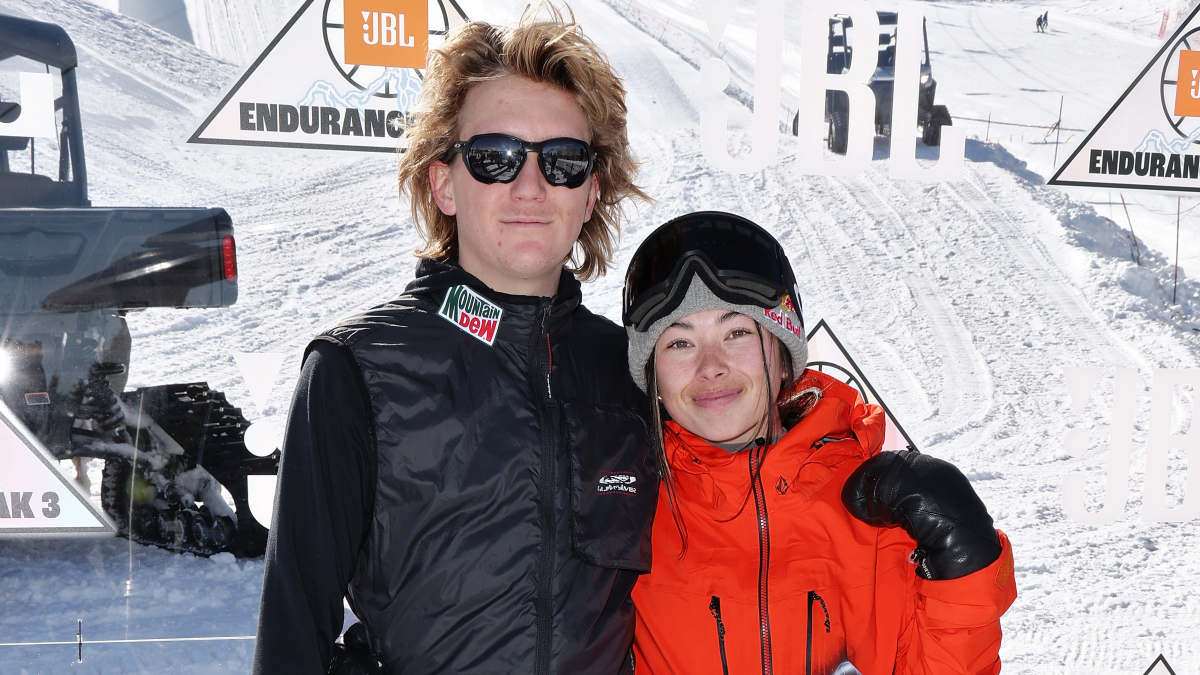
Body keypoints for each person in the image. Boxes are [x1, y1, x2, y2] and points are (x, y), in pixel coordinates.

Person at [252, 8, 656, 675]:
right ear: (444, 183)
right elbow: (291, 638)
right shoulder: (356, 372)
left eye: (563, 161)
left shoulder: (632, 375)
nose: (530, 186)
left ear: (591, 193)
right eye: (495, 157)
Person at [622, 211, 1016, 675]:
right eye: (679, 344)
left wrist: (965, 576)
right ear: (653, 376)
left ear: (783, 358)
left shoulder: (875, 518)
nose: (711, 366)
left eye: (737, 333)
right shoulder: (626, 516)